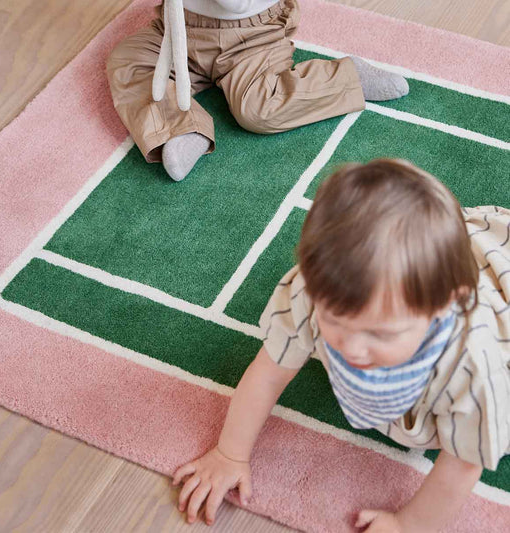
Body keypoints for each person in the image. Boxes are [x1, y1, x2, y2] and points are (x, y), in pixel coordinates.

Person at [172, 159, 510, 532]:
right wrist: (229, 453)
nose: (353, 348)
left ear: (444, 306)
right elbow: (269, 372)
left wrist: (408, 526)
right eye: (335, 321)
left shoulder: (474, 362)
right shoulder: (312, 293)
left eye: (380, 334)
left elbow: (463, 462)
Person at [106, 0, 409, 181]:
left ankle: (344, 78)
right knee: (127, 62)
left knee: (259, 109)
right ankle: (179, 126)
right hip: (179, 27)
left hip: (251, 34)